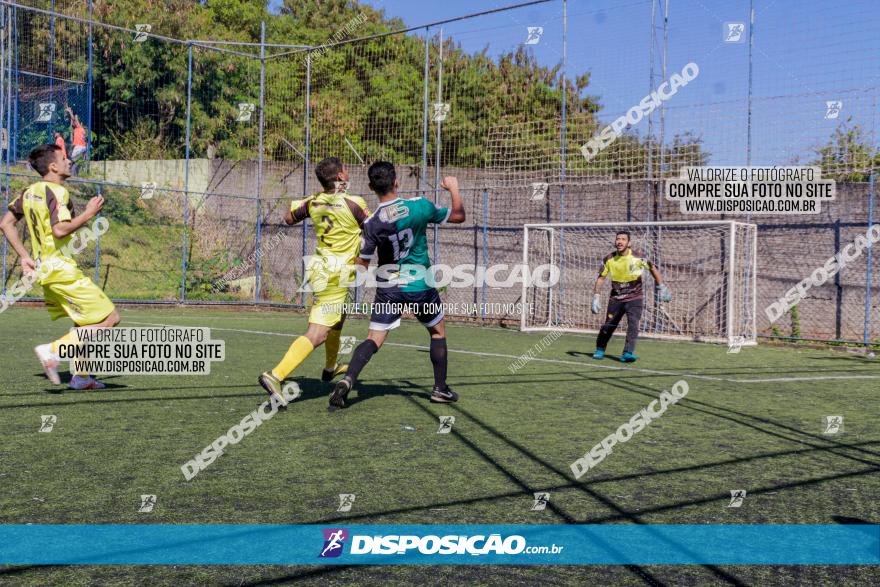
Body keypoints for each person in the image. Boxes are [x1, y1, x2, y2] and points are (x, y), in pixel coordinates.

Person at [328, 162, 465, 411]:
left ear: (371, 187)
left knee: (374, 339)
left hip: (389, 287)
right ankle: (440, 390)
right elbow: (458, 216)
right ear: (396, 182)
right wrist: (453, 188)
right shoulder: (419, 206)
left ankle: (349, 379)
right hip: (420, 284)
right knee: (437, 332)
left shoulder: (371, 223)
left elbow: (361, 268)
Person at [0, 143, 120, 389]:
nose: (69, 161)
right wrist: (88, 214)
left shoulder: (29, 192)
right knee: (110, 318)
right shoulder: (57, 191)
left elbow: (6, 223)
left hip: (46, 271)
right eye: (64, 158)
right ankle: (52, 351)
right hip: (60, 268)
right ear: (53, 166)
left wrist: (24, 256)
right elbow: (59, 229)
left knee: (84, 321)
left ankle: (82, 377)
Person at [258, 157, 370, 404]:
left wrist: (312, 200)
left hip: (320, 268)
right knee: (318, 333)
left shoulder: (314, 202)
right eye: (346, 170)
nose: (348, 173)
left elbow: (288, 217)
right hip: (336, 274)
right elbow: (374, 229)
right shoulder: (354, 203)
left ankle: (330, 368)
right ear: (340, 177)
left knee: (338, 317)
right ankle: (275, 374)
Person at [590, 230, 671, 363]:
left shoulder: (639, 257)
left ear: (629, 243)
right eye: (618, 239)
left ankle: (627, 353)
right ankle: (600, 348)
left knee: (633, 325)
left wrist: (661, 287)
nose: (619, 241)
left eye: (623, 239)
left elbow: (653, 269)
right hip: (616, 299)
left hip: (635, 298)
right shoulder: (609, 259)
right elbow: (601, 278)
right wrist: (596, 296)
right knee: (609, 325)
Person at [64, 106, 87, 174]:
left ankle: (69, 173)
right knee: (77, 163)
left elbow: (73, 119)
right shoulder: (81, 130)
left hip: (79, 147)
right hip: (82, 147)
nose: (74, 122)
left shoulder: (79, 128)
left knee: (71, 161)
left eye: (76, 121)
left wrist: (70, 111)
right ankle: (75, 174)